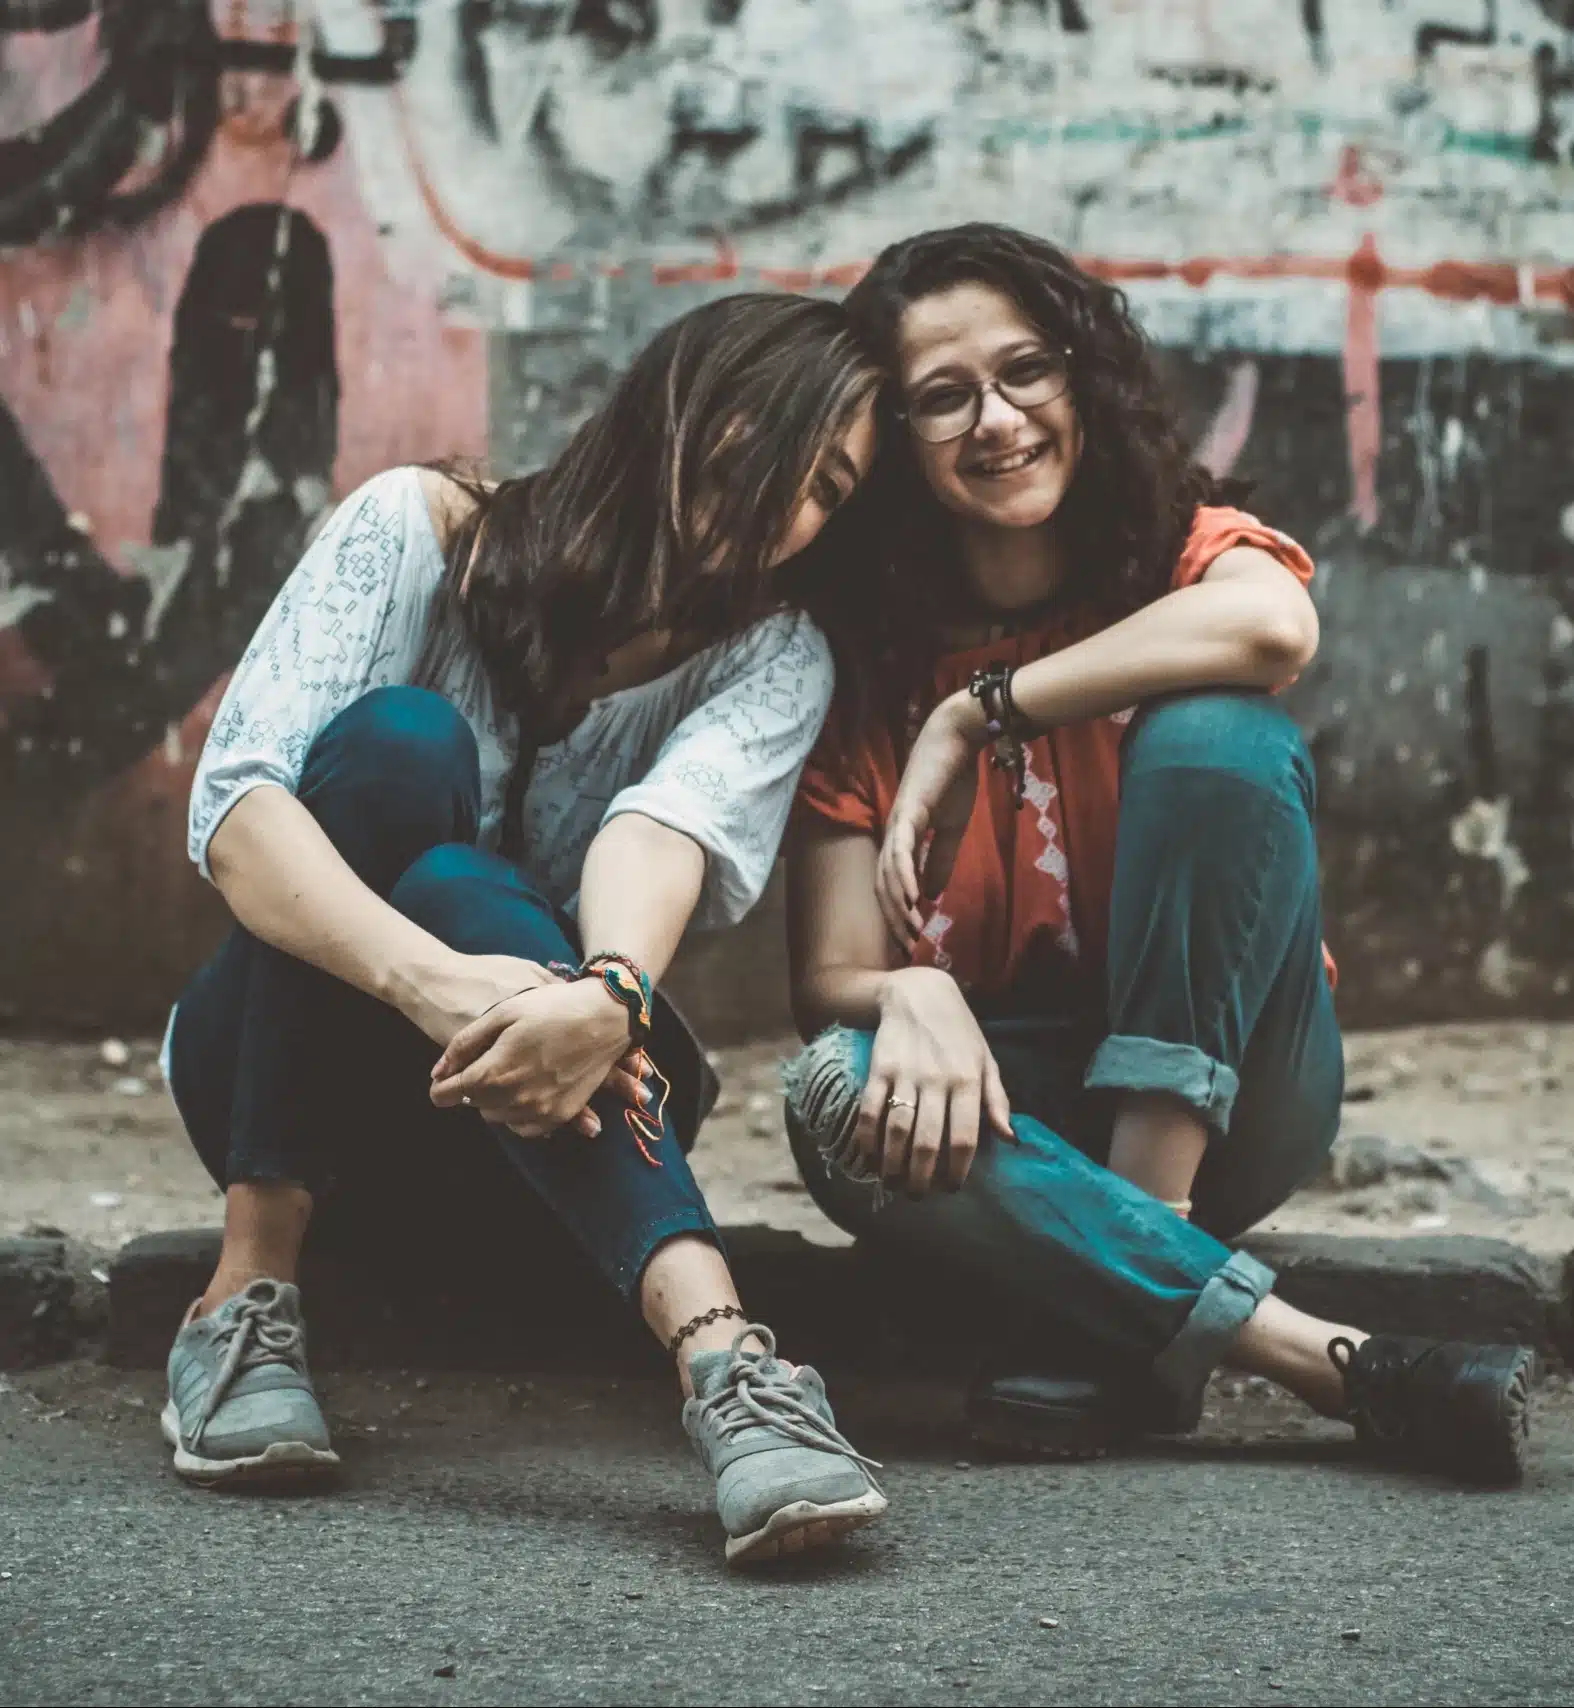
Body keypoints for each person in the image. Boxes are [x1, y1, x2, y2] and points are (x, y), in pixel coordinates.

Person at [782, 224, 1534, 1484]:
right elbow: (826, 979)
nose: (998, 420)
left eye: (1027, 370)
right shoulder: (860, 663)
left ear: (1080, 374)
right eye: (942, 396)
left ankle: (1137, 1241)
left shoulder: (1175, 555)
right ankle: (1306, 1354)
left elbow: (1271, 623)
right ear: (894, 439)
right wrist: (905, 989)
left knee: (1219, 733)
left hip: (1239, 1085)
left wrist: (980, 710)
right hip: (1010, 1118)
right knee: (826, 1090)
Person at [159, 292, 889, 1566]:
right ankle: (245, 1295)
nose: (784, 493)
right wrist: (430, 980)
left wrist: (603, 992)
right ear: (678, 397)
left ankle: (730, 1368)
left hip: (552, 1120)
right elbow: (237, 817)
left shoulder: (776, 654)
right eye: (766, 434)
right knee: (401, 749)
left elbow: (659, 832)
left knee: (463, 880)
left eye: (827, 481)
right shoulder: (415, 529)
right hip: (272, 1092)